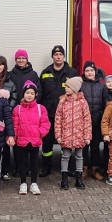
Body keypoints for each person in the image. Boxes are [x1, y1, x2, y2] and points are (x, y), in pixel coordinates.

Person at [38, 45, 78, 177]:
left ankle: (66, 168)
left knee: (65, 142)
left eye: (60, 54)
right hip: (48, 114)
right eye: (56, 54)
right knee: (47, 143)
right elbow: (40, 94)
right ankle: (46, 167)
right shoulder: (45, 72)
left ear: (63, 56)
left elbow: (77, 93)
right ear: (52, 56)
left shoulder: (71, 73)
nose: (58, 56)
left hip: (65, 115)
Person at [12, 80, 51, 195]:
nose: (29, 95)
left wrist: (40, 133)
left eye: (32, 93)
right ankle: (23, 183)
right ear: (23, 94)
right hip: (21, 141)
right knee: (22, 163)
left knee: (34, 163)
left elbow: (45, 123)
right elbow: (15, 125)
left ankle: (34, 183)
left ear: (36, 95)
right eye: (27, 93)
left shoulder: (41, 108)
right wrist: (15, 137)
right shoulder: (17, 109)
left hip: (35, 141)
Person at [54, 76, 91, 190]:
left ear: (75, 89)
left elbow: (87, 120)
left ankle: (79, 179)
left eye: (68, 86)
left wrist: (87, 136)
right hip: (66, 135)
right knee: (65, 156)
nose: (66, 88)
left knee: (79, 156)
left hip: (79, 135)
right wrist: (58, 135)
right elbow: (58, 119)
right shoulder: (62, 102)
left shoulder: (83, 102)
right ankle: (64, 179)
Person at [81, 61, 107, 180]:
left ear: (95, 72)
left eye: (91, 70)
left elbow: (106, 102)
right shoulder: (81, 85)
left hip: (97, 120)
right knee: (84, 146)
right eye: (87, 71)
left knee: (95, 146)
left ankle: (95, 169)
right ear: (84, 72)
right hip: (84, 121)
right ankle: (84, 168)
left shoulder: (102, 85)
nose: (89, 73)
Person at [0, 55, 18, 181]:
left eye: (0, 64)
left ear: (5, 66)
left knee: (6, 146)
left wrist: (7, 110)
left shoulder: (10, 82)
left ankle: (5, 171)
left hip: (5, 118)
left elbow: (14, 97)